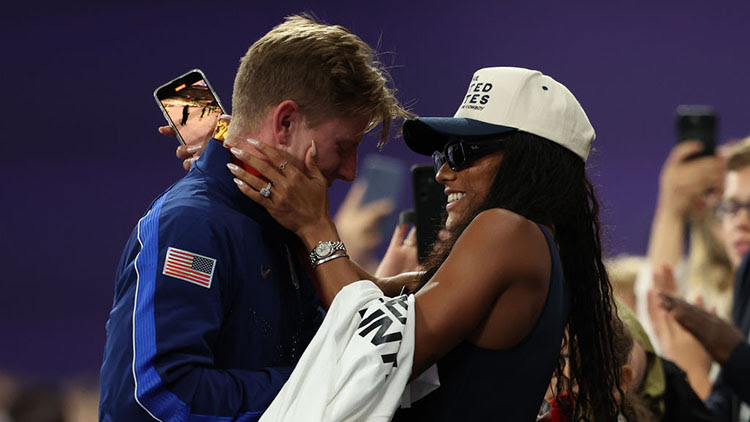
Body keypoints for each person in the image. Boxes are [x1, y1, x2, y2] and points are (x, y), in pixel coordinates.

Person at [228, 67, 625, 420]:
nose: (444, 173)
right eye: (442, 155)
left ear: (528, 162)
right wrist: (253, 172)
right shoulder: (530, 249)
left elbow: (377, 349)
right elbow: (364, 293)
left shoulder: (508, 231)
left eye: (461, 152)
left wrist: (316, 224)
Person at [99, 14, 407, 421]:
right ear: (285, 122)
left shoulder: (285, 227)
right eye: (344, 145)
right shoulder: (190, 225)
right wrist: (314, 382)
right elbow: (155, 397)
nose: (350, 170)